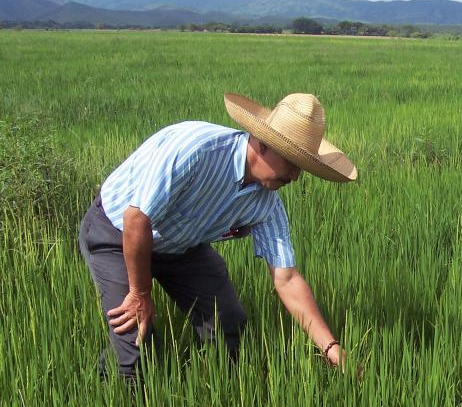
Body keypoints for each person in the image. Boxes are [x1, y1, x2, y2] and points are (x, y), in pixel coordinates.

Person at [78, 92, 357, 381]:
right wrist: (140, 294)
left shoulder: (267, 204)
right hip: (118, 233)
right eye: (291, 162)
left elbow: (287, 279)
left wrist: (331, 348)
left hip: (181, 245)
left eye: (303, 167)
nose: (296, 176)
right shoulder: (196, 150)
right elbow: (136, 219)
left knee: (227, 324)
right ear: (262, 144)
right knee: (137, 347)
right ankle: (116, 403)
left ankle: (215, 396)